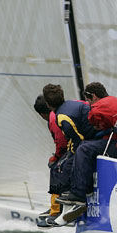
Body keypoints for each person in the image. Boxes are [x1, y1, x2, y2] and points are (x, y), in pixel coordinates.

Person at [55, 82, 117, 224]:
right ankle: (84, 188)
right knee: (87, 147)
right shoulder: (113, 100)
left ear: (93, 96)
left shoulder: (98, 106)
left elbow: (92, 120)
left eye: (88, 100)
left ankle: (78, 194)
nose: (88, 103)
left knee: (83, 149)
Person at [42, 83, 97, 225]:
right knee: (65, 163)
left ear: (48, 104)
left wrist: (69, 154)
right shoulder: (70, 104)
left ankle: (70, 204)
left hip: (90, 141)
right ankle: (67, 204)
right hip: (92, 139)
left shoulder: (61, 117)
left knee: (63, 166)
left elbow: (79, 138)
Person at [33, 95, 69, 227]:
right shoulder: (58, 113)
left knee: (55, 167)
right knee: (57, 164)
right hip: (76, 146)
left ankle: (56, 210)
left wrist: (56, 157)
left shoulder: (53, 119)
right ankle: (56, 206)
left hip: (75, 148)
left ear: (42, 114)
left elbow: (61, 142)